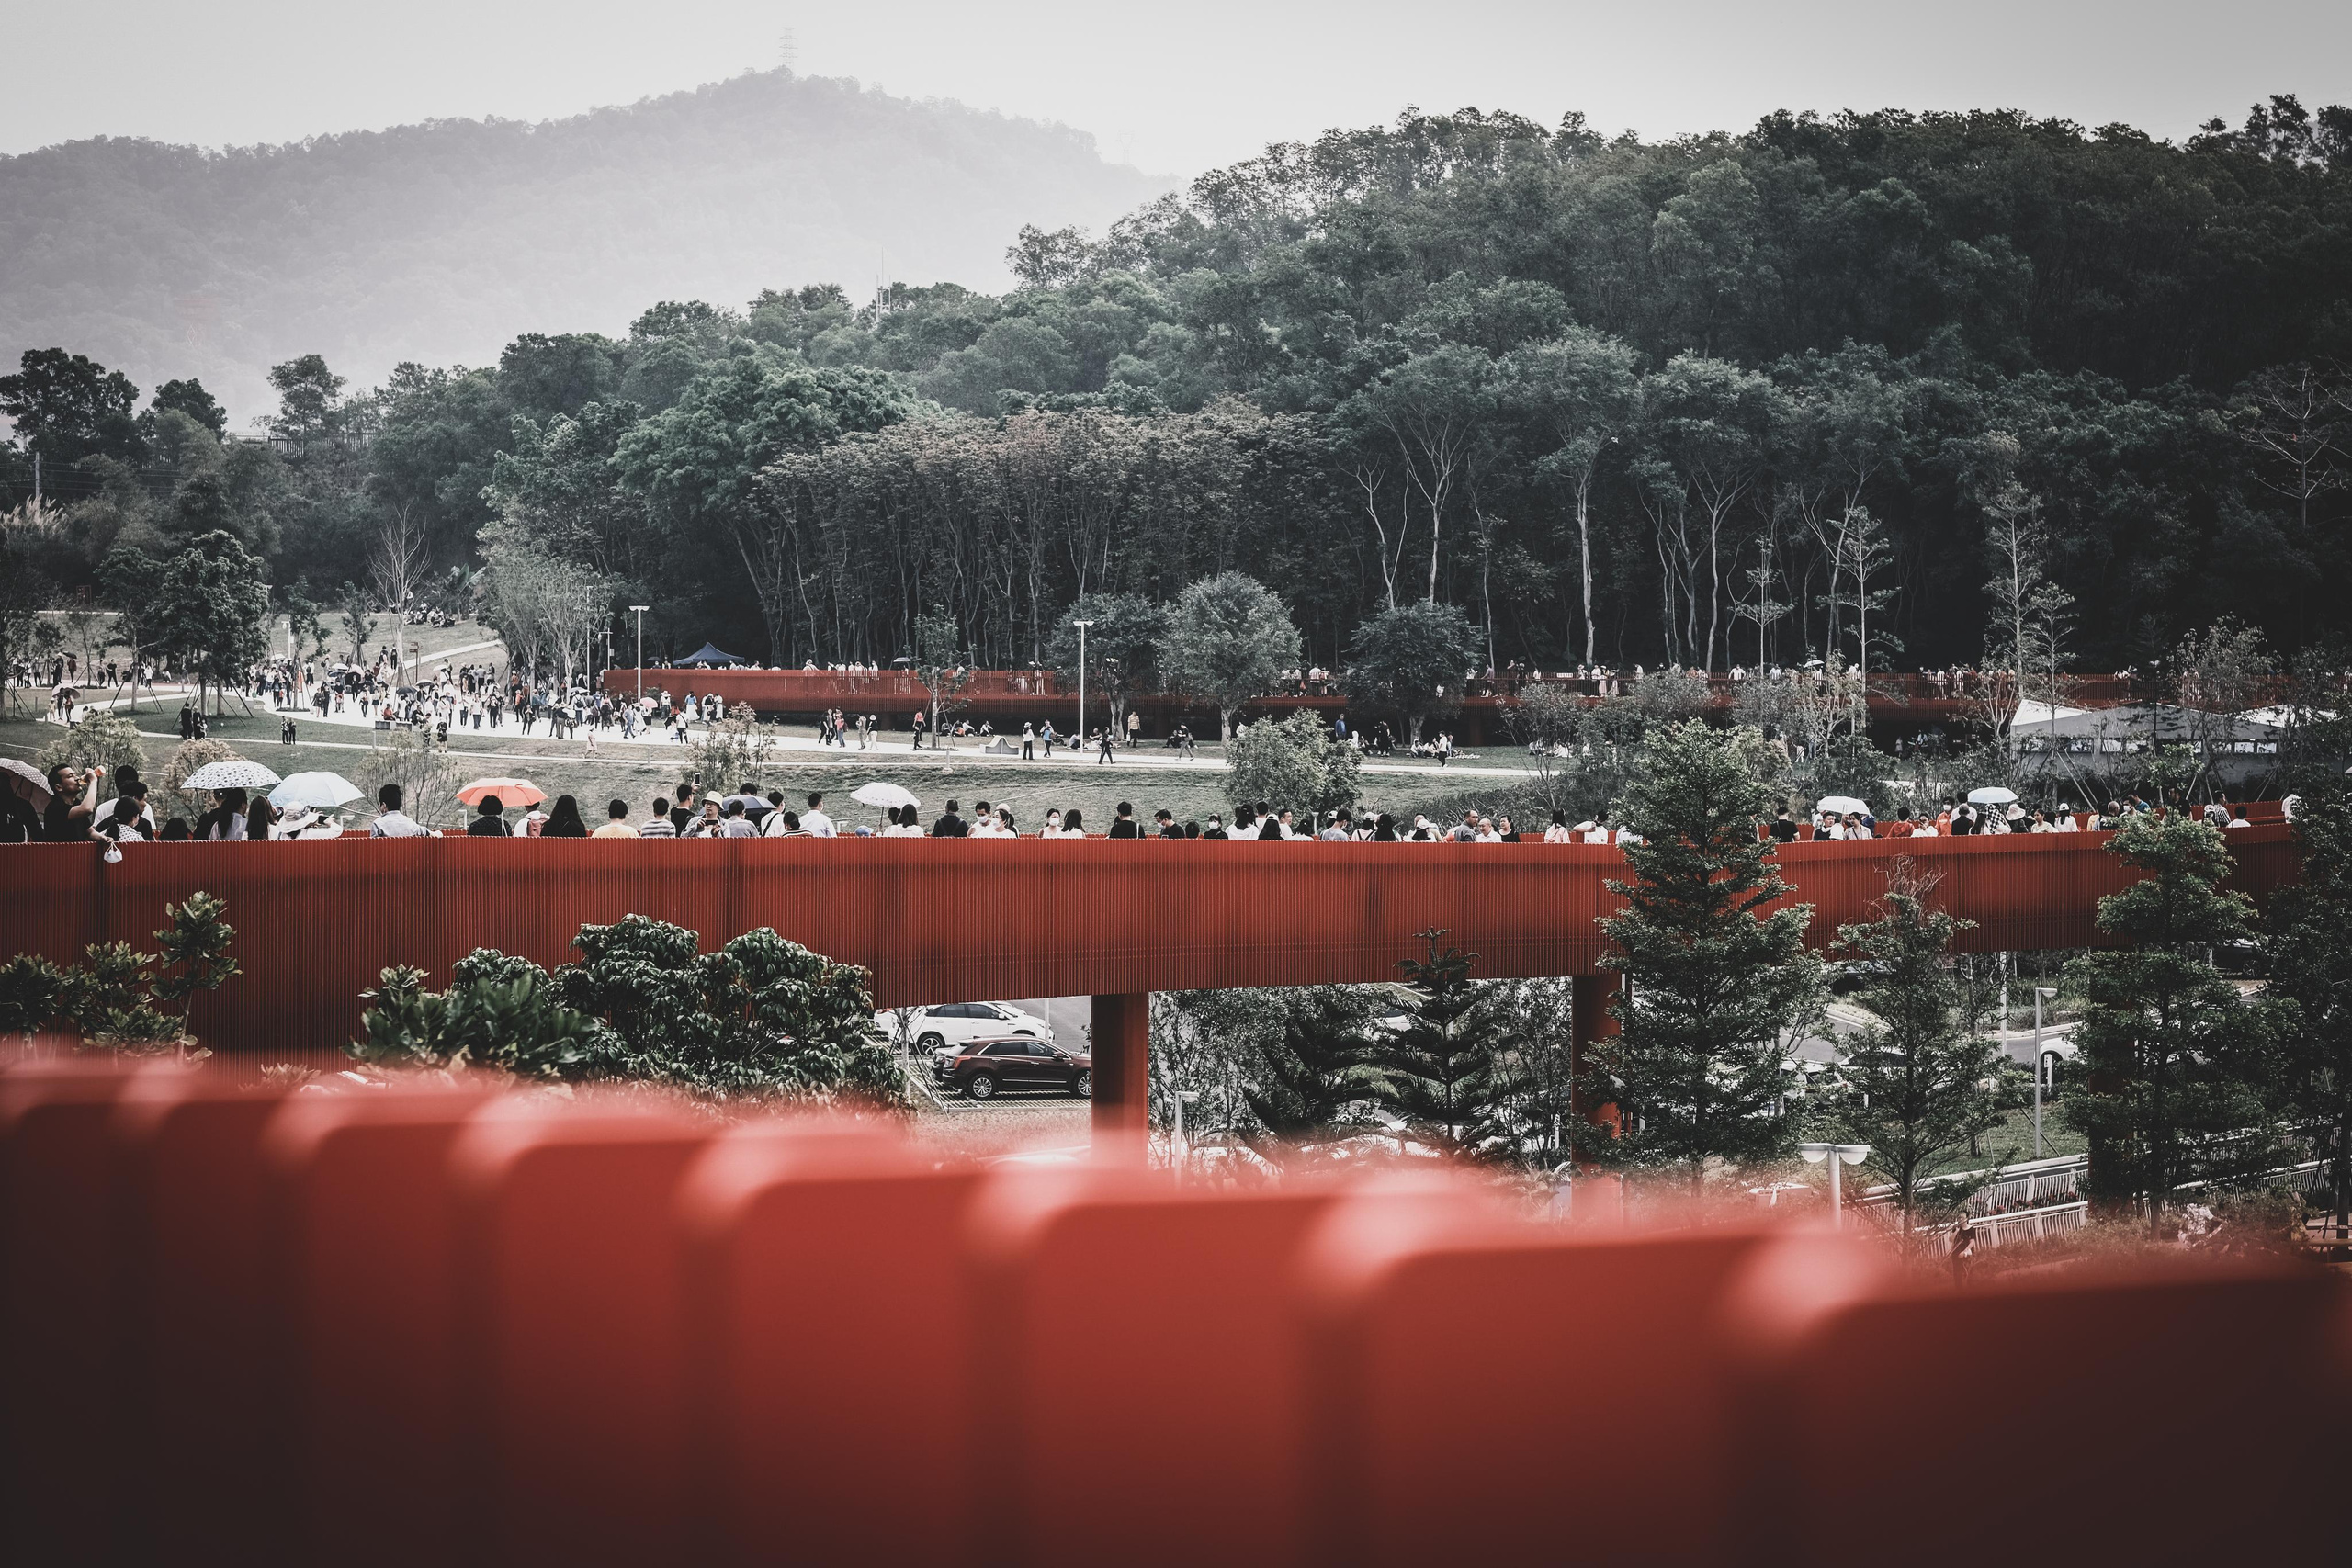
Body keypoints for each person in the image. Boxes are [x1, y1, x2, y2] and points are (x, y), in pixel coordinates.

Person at [42, 764, 100, 842]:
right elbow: (87, 809)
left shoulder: (76, 803)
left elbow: (90, 832)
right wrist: (93, 781)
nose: (77, 778)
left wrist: (103, 838)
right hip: (60, 853)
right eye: (70, 776)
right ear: (59, 787)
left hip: (77, 853)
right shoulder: (54, 807)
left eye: (75, 774)